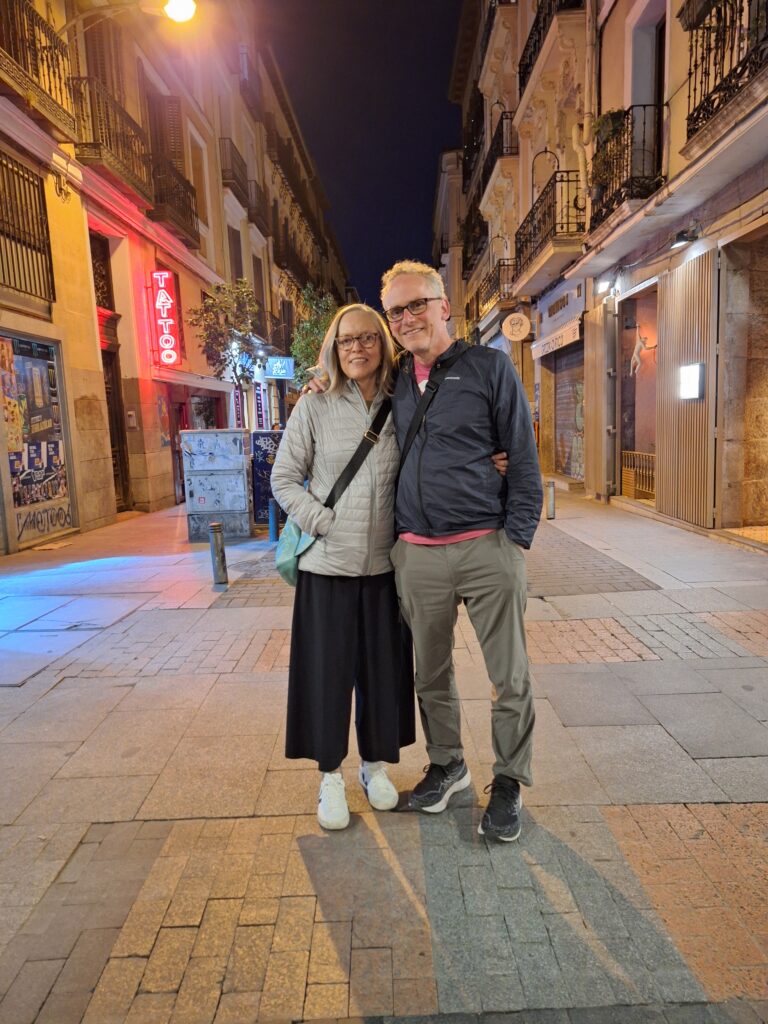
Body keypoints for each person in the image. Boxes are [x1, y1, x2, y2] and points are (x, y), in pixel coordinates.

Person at [381, 259, 542, 842]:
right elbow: (344, 382)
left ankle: (508, 782)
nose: (407, 318)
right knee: (431, 671)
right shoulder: (394, 379)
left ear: (444, 306)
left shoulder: (489, 367)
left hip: (485, 546)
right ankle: (447, 765)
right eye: (396, 310)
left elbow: (522, 457)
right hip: (418, 555)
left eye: (416, 304)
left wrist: (514, 539)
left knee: (510, 675)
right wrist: (322, 380)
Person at [270, 303, 415, 831]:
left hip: (385, 569)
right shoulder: (313, 406)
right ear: (333, 347)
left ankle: (374, 768)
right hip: (326, 569)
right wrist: (323, 523)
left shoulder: (404, 401)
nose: (357, 348)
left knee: (383, 674)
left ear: (383, 344)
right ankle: (329, 775)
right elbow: (284, 478)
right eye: (347, 340)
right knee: (326, 675)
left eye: (367, 339)